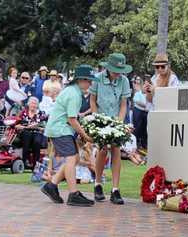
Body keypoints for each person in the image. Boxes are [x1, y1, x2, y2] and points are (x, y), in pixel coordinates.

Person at [41, 64, 96, 207]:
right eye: (89, 80)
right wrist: (85, 135)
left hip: (60, 128)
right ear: (80, 80)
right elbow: (72, 119)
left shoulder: (72, 91)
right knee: (72, 158)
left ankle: (51, 185)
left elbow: (71, 118)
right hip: (60, 129)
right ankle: (73, 194)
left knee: (75, 158)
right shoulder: (74, 94)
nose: (90, 83)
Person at [89, 53, 132, 205]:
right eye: (115, 70)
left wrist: (119, 122)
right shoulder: (98, 78)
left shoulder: (124, 81)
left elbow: (123, 104)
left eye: (120, 70)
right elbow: (92, 100)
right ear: (108, 68)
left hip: (116, 119)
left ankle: (115, 189)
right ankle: (98, 184)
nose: (117, 73)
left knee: (116, 150)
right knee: (102, 150)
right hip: (101, 118)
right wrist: (97, 119)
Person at [15, 97, 47, 168]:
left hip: (37, 132)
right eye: (32, 103)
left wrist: (36, 127)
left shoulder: (41, 114)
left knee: (37, 141)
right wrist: (26, 127)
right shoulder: (23, 113)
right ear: (28, 104)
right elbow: (16, 125)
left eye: (35, 104)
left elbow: (45, 128)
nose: (33, 105)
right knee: (27, 136)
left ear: (37, 105)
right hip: (25, 132)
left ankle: (36, 165)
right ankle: (24, 162)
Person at [132, 77, 148, 150]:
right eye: (145, 86)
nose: (146, 87)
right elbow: (136, 101)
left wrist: (145, 104)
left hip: (146, 113)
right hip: (138, 111)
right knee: (137, 128)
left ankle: (144, 144)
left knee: (144, 129)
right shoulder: (138, 93)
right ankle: (136, 143)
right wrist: (145, 104)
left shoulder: (149, 95)